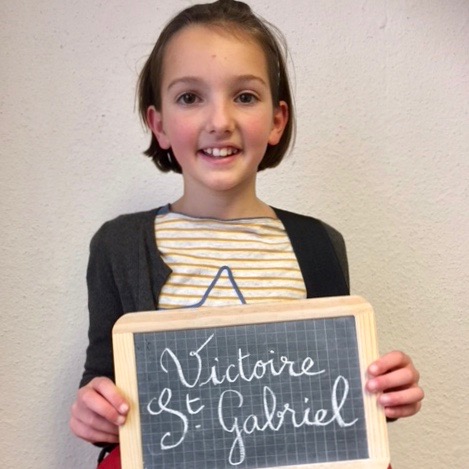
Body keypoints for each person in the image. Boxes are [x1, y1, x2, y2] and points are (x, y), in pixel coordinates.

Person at [69, 1, 424, 467]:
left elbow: (332, 397)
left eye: (244, 96)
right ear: (159, 125)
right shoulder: (119, 246)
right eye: (190, 97)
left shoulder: (320, 245)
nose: (220, 121)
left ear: (277, 120)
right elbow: (102, 382)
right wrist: (93, 410)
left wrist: (384, 394)